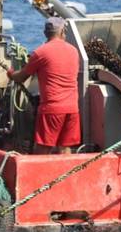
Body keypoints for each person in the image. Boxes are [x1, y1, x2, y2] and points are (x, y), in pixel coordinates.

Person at [7, 17, 81, 155]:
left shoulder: (40, 53)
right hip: (72, 108)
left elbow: (21, 77)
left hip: (52, 109)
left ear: (45, 33)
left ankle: (39, 176)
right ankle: (65, 175)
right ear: (62, 31)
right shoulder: (74, 51)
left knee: (43, 148)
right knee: (65, 148)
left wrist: (11, 73)